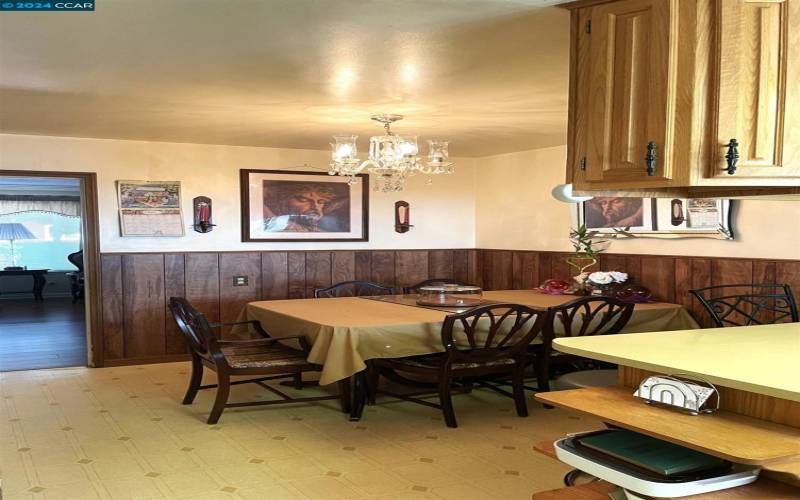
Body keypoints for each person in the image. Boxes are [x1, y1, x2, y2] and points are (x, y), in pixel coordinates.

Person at [263, 181, 348, 232]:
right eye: (303, 200)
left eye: (321, 202)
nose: (315, 207)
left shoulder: (322, 232)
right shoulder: (274, 225)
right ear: (282, 201)